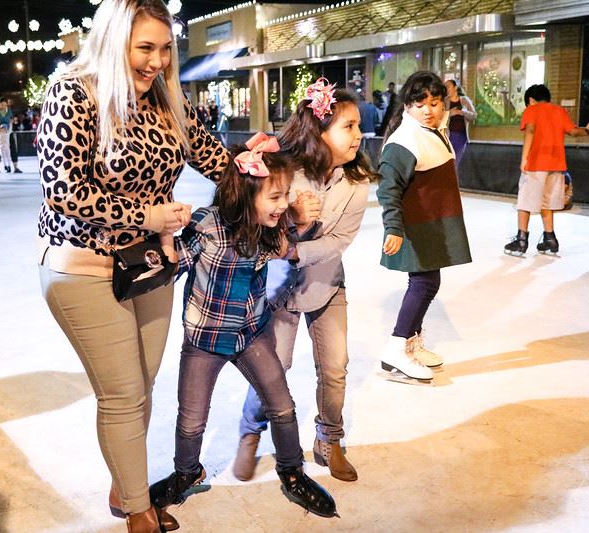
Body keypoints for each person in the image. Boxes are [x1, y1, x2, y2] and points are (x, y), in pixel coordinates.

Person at [35, 1, 228, 531]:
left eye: (165, 49)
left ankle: (126, 487)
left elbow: (212, 156)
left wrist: (264, 168)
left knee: (142, 386)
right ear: (113, 41)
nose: (157, 61)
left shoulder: (164, 97)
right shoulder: (72, 92)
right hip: (84, 267)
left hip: (148, 264)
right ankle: (139, 511)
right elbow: (63, 191)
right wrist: (146, 214)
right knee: (122, 394)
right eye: (145, 47)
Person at [150, 136, 337, 519]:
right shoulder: (208, 226)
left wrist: (298, 219)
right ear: (245, 191)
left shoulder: (268, 230)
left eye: (285, 194)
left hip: (250, 334)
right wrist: (166, 232)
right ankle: (186, 474)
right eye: (275, 196)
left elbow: (284, 249)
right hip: (204, 340)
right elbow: (174, 263)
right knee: (191, 418)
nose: (283, 203)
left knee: (281, 404)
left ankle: (292, 472)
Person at [233, 81, 377, 483]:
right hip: (277, 288)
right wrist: (294, 219)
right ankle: (249, 432)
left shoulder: (357, 183)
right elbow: (257, 232)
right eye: (348, 126)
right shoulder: (286, 174)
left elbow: (340, 242)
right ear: (321, 132)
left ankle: (329, 440)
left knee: (335, 366)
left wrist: (297, 250)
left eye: (358, 126)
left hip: (326, 283)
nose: (358, 134)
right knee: (274, 367)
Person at [377, 71, 472, 382]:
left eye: (435, 103)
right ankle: (396, 345)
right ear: (407, 106)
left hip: (430, 223)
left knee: (428, 283)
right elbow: (388, 188)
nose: (429, 110)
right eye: (420, 104)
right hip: (414, 225)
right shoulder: (405, 140)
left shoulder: (431, 131)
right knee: (423, 284)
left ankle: (411, 343)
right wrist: (392, 227)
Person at [503, 84, 589, 255]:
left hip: (536, 163)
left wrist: (524, 158)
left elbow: (530, 130)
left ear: (530, 100)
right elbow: (572, 131)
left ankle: (521, 240)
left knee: (524, 202)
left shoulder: (532, 109)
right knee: (547, 202)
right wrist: (587, 131)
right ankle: (550, 239)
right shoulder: (559, 111)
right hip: (557, 165)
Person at [445, 79, 476, 166]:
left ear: (455, 87)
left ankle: (453, 179)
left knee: (455, 163)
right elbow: (439, 118)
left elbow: (474, 115)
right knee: (449, 163)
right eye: (445, 87)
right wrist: (450, 113)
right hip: (448, 136)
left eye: (448, 86)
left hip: (461, 137)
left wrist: (463, 112)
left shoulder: (464, 100)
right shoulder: (445, 101)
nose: (446, 89)